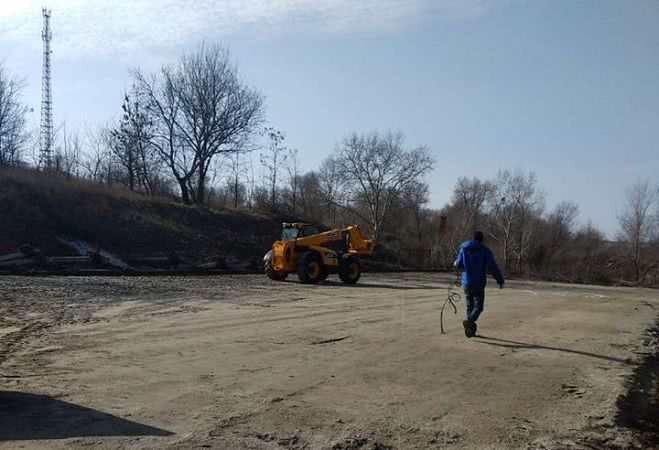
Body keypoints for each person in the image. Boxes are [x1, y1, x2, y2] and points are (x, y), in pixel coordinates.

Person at [453, 231, 504, 338]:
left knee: (470, 306)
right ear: (481, 240)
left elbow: (458, 264)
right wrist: (499, 279)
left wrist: (457, 264)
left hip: (466, 283)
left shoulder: (464, 249)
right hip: (478, 283)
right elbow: (492, 267)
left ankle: (470, 330)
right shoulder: (485, 251)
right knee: (479, 307)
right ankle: (469, 322)